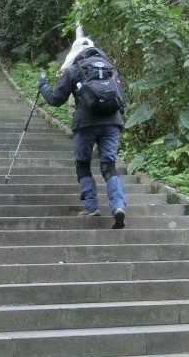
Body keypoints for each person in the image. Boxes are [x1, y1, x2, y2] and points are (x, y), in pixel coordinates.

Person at [37, 36, 127, 229]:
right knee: (109, 166)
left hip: (85, 123)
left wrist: (43, 86)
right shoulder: (110, 68)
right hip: (112, 123)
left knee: (83, 165)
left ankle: (91, 206)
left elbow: (55, 100)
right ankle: (118, 206)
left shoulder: (74, 69)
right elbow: (121, 99)